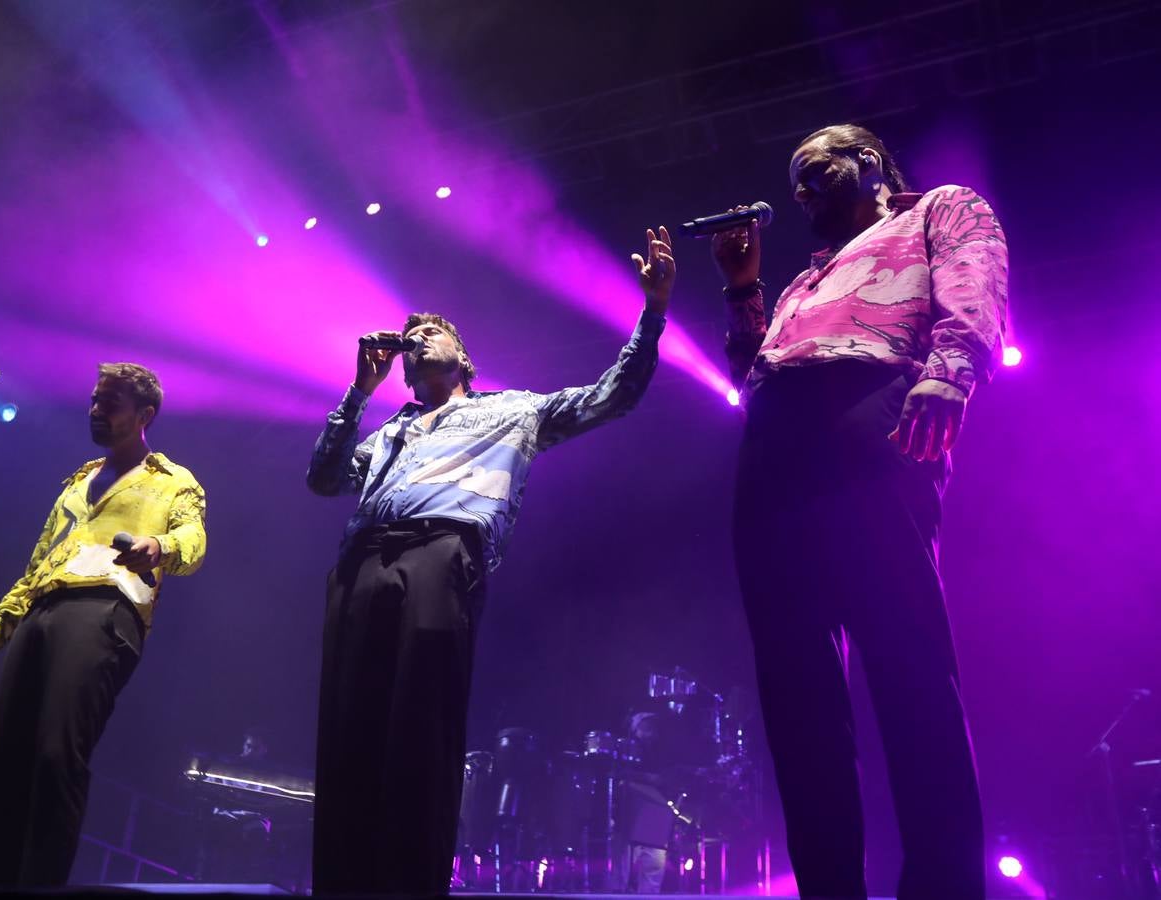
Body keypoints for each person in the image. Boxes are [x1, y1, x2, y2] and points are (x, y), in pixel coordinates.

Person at [305, 227, 677, 894]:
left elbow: (612, 396)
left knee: (419, 717)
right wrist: (359, 394)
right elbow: (324, 479)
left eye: (428, 333)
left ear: (462, 355)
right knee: (347, 722)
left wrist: (652, 313)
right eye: (407, 336)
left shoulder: (512, 411)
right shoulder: (390, 431)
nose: (414, 340)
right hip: (362, 560)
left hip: (442, 552)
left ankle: (412, 881)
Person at [712, 123, 1008, 899]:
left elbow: (975, 278)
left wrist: (951, 370)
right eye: (794, 178)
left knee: (906, 657)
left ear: (869, 162)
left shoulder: (936, 210)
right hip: (777, 437)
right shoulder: (804, 280)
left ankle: (943, 887)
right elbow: (750, 373)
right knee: (793, 677)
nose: (801, 187)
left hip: (873, 407)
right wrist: (744, 288)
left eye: (815, 166)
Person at [0, 362, 207, 887]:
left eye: (110, 404)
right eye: (93, 401)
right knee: (4, 760)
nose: (96, 411)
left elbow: (194, 542)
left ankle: (41, 886)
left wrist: (161, 547)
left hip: (105, 610)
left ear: (144, 414)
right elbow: (35, 570)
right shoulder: (78, 482)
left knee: (57, 753)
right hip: (42, 611)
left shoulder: (173, 480)